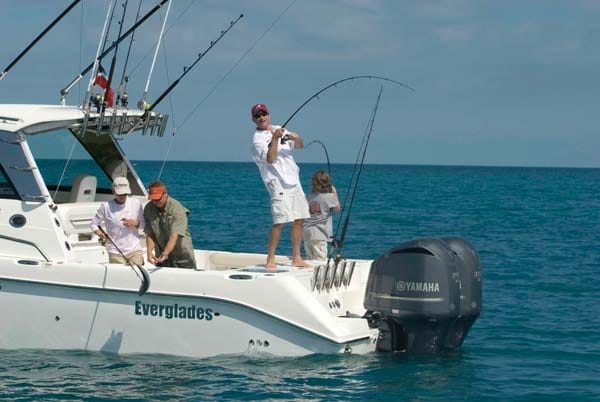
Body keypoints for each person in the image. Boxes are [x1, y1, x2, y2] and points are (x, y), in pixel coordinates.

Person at [251, 103, 311, 271]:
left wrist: (295, 138)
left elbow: (300, 146)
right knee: (280, 221)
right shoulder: (257, 140)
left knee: (299, 218)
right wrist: (275, 139)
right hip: (276, 181)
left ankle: (297, 257)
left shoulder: (280, 129)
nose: (261, 117)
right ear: (254, 120)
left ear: (269, 115)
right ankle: (270, 259)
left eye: (264, 114)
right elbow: (270, 159)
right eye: (258, 115)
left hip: (294, 179)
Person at [91, 177, 145, 265]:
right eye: (119, 194)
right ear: (113, 191)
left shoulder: (136, 203)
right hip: (114, 250)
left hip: (135, 249)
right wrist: (101, 234)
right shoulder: (106, 206)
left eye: (125, 194)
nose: (122, 196)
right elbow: (94, 224)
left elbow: (144, 224)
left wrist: (136, 223)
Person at [143, 180, 196, 268]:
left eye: (158, 199)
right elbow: (150, 233)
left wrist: (166, 253)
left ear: (165, 194)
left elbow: (174, 236)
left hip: (182, 257)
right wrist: (149, 251)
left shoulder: (177, 209)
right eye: (153, 199)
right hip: (161, 256)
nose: (155, 202)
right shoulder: (148, 209)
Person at [303, 170, 341, 260]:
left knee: (310, 259)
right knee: (320, 260)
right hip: (319, 234)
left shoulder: (308, 196)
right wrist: (334, 193)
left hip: (306, 232)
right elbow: (337, 209)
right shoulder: (329, 197)